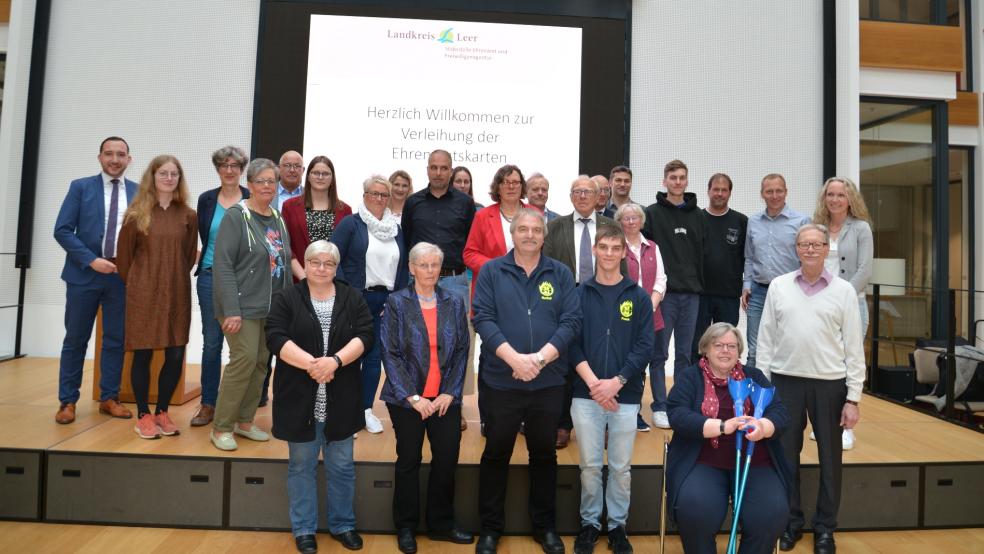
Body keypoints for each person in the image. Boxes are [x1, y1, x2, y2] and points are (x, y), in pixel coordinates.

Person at [472, 208, 580, 554]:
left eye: (536, 229)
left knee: (544, 455)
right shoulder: (491, 271)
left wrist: (538, 359)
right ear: (512, 234)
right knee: (496, 453)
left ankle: (545, 527)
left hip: (547, 382)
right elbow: (483, 319)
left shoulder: (561, 273)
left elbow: (571, 321)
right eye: (523, 229)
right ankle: (490, 529)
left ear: (544, 235)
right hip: (502, 381)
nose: (530, 235)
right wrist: (515, 359)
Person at [757, 224, 865, 554]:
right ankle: (790, 523)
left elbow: (853, 347)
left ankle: (824, 529)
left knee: (830, 460)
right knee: (785, 458)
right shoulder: (778, 286)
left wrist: (853, 397)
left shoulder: (844, 291)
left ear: (827, 248)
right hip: (784, 382)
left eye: (817, 244)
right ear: (797, 249)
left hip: (830, 384)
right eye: (804, 244)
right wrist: (762, 390)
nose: (811, 250)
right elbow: (765, 340)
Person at [266, 240, 373, 554]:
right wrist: (314, 365)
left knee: (342, 466)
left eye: (328, 263)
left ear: (336, 267)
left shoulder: (352, 297)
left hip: (341, 398)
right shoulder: (287, 297)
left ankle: (343, 525)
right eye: (315, 262)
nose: (322, 268)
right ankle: (303, 529)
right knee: (301, 467)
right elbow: (275, 336)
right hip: (299, 399)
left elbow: (365, 335)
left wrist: (335, 362)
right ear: (306, 265)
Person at [380, 242, 474, 554]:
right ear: (411, 268)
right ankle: (405, 527)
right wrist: (413, 396)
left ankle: (441, 525)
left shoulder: (454, 301)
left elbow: (462, 349)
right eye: (424, 265)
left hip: (445, 397)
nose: (430, 271)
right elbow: (390, 353)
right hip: (407, 399)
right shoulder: (396, 302)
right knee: (409, 460)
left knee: (446, 460)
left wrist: (450, 391)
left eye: (435, 265)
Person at [667, 323, 790, 554]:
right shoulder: (690, 377)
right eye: (719, 345)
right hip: (703, 461)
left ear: (739, 351)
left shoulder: (754, 377)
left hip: (754, 462)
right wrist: (722, 426)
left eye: (732, 346)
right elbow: (677, 414)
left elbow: (780, 413)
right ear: (705, 349)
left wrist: (763, 426)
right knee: (695, 510)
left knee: (772, 512)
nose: (726, 351)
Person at [569, 225, 654, 554]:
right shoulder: (579, 293)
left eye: (614, 247)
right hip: (585, 392)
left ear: (623, 253)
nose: (607, 253)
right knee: (589, 466)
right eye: (601, 247)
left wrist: (617, 382)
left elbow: (645, 346)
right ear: (594, 251)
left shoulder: (638, 296)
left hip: (626, 394)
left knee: (620, 467)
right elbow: (570, 343)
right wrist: (594, 385)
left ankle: (617, 526)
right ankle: (590, 523)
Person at [211, 158, 293, 451]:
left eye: (272, 181)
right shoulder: (236, 216)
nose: (268, 186)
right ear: (250, 185)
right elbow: (222, 266)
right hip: (241, 309)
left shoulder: (277, 217)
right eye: (262, 181)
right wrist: (230, 309)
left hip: (270, 308)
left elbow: (282, 263)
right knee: (243, 360)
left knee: (261, 364)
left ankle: (244, 422)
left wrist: (288, 310)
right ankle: (221, 426)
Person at [53, 136, 137, 424]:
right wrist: (91, 259)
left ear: (129, 159)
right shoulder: (80, 187)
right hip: (84, 275)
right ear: (100, 157)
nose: (115, 159)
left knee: (115, 340)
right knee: (76, 340)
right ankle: (67, 401)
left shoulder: (139, 193)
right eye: (109, 154)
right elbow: (62, 230)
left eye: (121, 154)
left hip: (120, 278)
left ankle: (109, 398)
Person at [116, 155, 198, 439]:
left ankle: (162, 411)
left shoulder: (188, 215)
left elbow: (188, 256)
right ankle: (143, 414)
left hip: (176, 291)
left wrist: (170, 277)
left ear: (179, 178)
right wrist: (142, 284)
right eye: (163, 173)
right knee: (143, 353)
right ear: (152, 176)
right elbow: (124, 259)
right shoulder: (136, 213)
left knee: (175, 353)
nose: (169, 178)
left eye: (174, 173)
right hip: (144, 292)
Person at [543, 175, 621, 448]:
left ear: (599, 194)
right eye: (578, 191)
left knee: (603, 358)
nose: (583, 196)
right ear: (571, 196)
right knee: (565, 362)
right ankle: (563, 425)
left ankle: (605, 423)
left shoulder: (612, 226)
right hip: (566, 300)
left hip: (603, 297)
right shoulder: (555, 227)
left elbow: (618, 263)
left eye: (588, 191)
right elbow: (548, 268)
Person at [331, 175, 409, 435]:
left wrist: (396, 299)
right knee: (351, 357)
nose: (378, 198)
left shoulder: (396, 229)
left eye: (383, 194)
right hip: (356, 299)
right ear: (364, 196)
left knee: (374, 358)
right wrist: (346, 294)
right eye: (373, 193)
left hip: (385, 301)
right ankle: (346, 412)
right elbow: (333, 258)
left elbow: (402, 268)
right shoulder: (350, 224)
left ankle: (365, 410)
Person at [464, 165, 533, 434]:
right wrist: (498, 267)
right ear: (498, 186)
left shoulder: (533, 214)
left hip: (526, 295)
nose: (511, 186)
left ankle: (524, 417)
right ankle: (488, 418)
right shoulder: (484, 216)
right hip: (491, 292)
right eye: (506, 182)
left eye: (516, 181)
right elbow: (469, 253)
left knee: (523, 352)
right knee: (491, 353)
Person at [642, 159, 705, 430]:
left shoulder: (699, 215)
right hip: (663, 296)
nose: (677, 182)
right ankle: (660, 406)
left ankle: (679, 403)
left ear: (687, 181)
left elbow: (703, 255)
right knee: (658, 354)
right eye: (672, 177)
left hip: (691, 295)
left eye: (682, 177)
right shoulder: (652, 214)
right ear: (664, 180)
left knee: (685, 354)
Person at [811, 176, 873, 451]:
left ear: (850, 199)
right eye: (830, 194)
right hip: (820, 307)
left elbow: (865, 270)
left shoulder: (861, 229)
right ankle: (822, 424)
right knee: (823, 366)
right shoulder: (817, 228)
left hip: (851, 304)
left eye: (840, 194)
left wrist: (842, 298)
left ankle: (846, 428)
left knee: (848, 367)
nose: (835, 199)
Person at [192, 146, 250, 427]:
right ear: (217, 169)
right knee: (212, 342)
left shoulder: (251, 199)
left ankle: (239, 404)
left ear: (242, 169)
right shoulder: (206, 200)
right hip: (210, 277)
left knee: (243, 345)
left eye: (235, 165)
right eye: (224, 165)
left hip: (244, 280)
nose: (229, 170)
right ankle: (208, 403)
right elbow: (200, 236)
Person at [742, 173, 811, 368]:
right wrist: (746, 285)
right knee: (754, 349)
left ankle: (781, 395)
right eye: (769, 191)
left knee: (786, 345)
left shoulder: (802, 221)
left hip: (791, 292)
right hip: (758, 292)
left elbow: (808, 258)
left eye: (778, 190)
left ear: (786, 192)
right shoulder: (753, 222)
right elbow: (749, 257)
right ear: (762, 194)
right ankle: (753, 397)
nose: (774, 195)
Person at [615, 203, 667, 431]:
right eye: (626, 218)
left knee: (652, 361)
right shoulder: (616, 247)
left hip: (651, 315)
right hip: (624, 317)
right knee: (630, 364)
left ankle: (649, 409)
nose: (631, 221)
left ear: (642, 221)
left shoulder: (652, 247)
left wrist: (650, 306)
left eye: (635, 217)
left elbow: (661, 280)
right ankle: (629, 411)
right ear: (619, 222)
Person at [401, 149, 475, 306]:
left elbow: (471, 241)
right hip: (418, 281)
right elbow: (407, 240)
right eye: (434, 168)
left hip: (454, 281)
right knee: (416, 329)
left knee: (455, 330)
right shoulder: (413, 202)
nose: (438, 173)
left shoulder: (465, 203)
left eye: (443, 168)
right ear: (427, 170)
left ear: (451, 171)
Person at [692, 173, 747, 361]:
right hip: (700, 294)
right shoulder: (696, 218)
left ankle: (723, 387)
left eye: (724, 190)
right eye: (716, 189)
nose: (720, 193)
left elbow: (747, 257)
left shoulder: (741, 221)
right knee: (698, 344)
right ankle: (699, 386)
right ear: (708, 191)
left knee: (725, 345)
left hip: (729, 295)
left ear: (730, 193)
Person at [283, 156, 353, 281]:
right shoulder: (289, 206)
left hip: (333, 281)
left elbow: (347, 251)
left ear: (332, 179)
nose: (320, 177)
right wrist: (303, 277)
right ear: (308, 176)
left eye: (325, 174)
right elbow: (286, 246)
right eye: (316, 173)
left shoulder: (345, 210)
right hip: (299, 280)